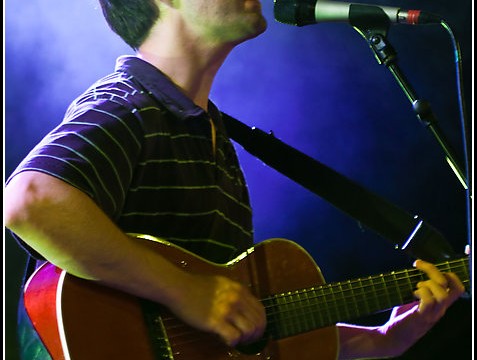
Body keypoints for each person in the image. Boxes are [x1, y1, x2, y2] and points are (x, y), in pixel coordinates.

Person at [4, 0, 465, 359]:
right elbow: (29, 202)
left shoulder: (210, 132)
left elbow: (237, 331)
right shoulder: (134, 104)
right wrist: (185, 291)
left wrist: (383, 339)